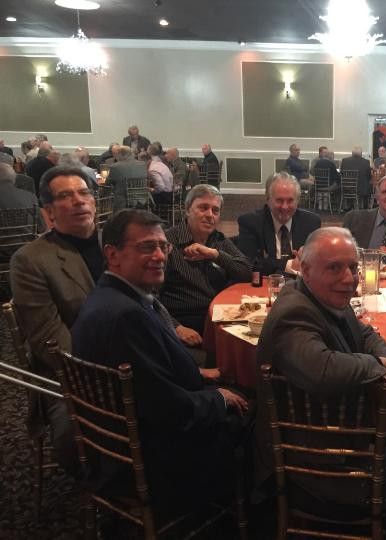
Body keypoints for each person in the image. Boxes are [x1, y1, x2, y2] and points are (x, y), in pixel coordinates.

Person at [254, 227, 386, 539]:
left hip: (334, 439)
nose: (349, 278)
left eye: (353, 267)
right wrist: (379, 367)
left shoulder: (319, 297)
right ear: (306, 269)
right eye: (335, 267)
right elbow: (323, 371)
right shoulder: (294, 313)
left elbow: (366, 334)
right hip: (312, 466)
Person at [71, 209, 250, 511]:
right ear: (112, 255)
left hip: (120, 443)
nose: (160, 255)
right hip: (154, 459)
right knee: (257, 411)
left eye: (162, 246)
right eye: (145, 247)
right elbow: (171, 411)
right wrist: (218, 398)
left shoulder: (108, 296)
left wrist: (197, 373)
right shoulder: (127, 317)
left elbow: (149, 380)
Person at [10, 166, 102, 475]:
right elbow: (50, 340)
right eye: (66, 196)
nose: (79, 201)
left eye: (84, 192)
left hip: (130, 355)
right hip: (70, 373)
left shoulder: (113, 243)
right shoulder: (31, 260)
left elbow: (146, 297)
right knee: (74, 440)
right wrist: (109, 371)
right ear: (48, 211)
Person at [160, 185, 252, 335]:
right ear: (188, 210)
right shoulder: (167, 242)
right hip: (187, 322)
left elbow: (247, 272)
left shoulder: (218, 240)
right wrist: (176, 327)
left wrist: (215, 254)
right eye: (203, 208)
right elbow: (150, 297)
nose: (210, 215)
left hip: (221, 316)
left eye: (215, 210)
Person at [235, 172, 321, 276]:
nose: (284, 207)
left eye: (290, 201)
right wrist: (289, 265)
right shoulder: (251, 222)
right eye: (279, 200)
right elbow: (246, 265)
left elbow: (318, 264)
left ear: (298, 201)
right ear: (268, 199)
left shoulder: (311, 223)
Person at [107, 146, 149, 211]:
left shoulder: (115, 167)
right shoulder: (143, 164)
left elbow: (108, 183)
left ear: (120, 154)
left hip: (123, 202)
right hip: (142, 200)